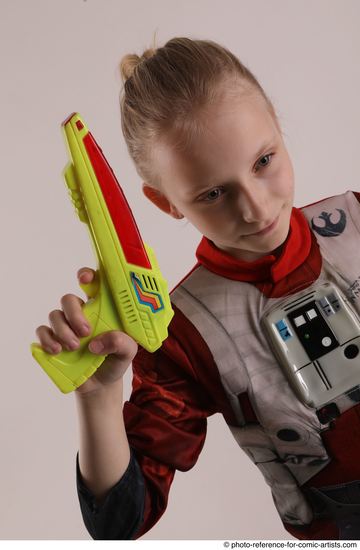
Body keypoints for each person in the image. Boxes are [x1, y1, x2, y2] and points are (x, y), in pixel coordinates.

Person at [34, 37, 360, 540]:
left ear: (278, 125)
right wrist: (99, 396)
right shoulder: (182, 336)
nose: (254, 208)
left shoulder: (356, 221)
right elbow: (120, 518)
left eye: (263, 161)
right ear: (167, 203)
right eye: (213, 192)